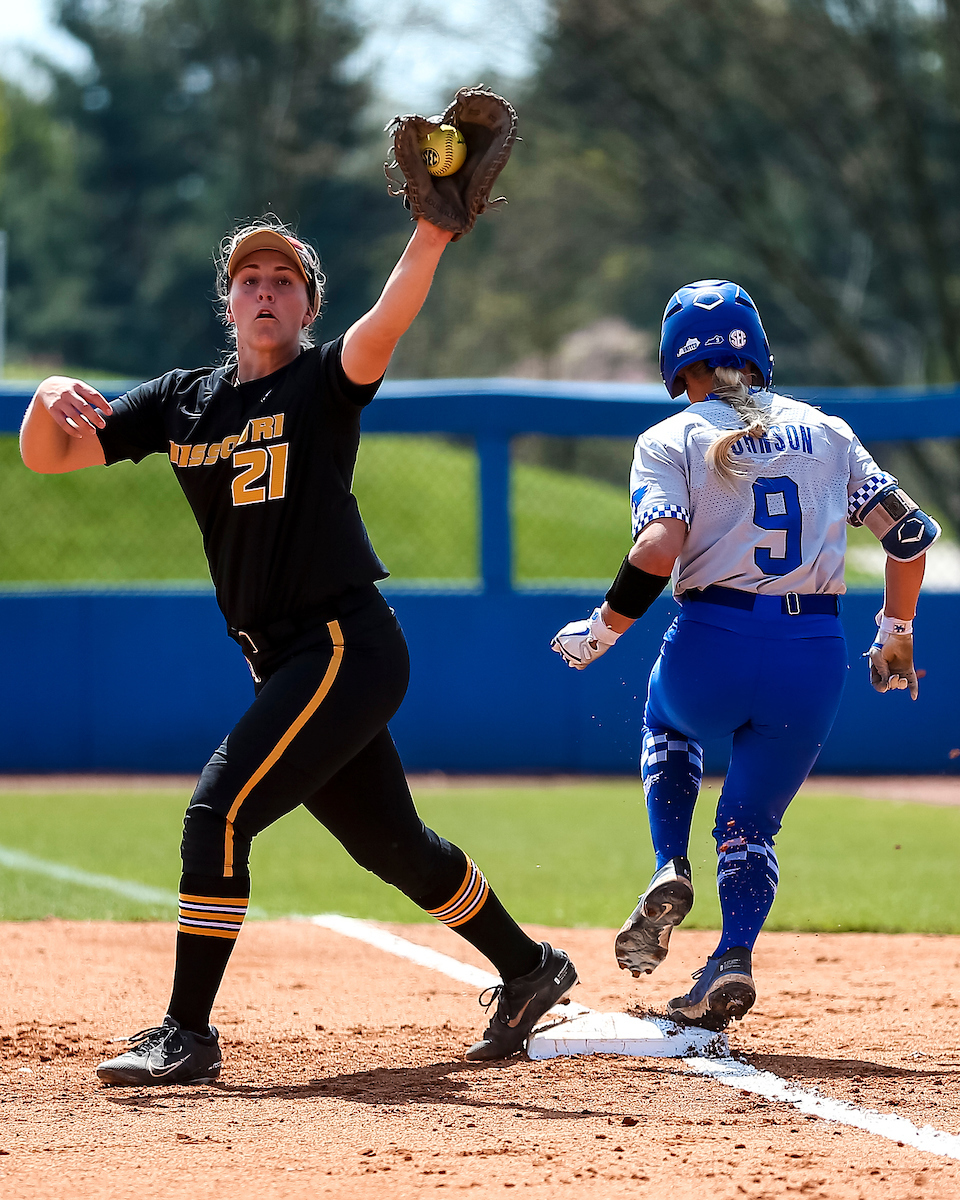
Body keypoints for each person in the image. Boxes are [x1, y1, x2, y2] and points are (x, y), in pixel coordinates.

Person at [20, 215, 576, 1083]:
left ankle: (186, 1032)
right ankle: (529, 968)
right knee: (395, 848)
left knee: (218, 810)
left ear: (310, 304)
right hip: (287, 662)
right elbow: (48, 458)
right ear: (228, 302)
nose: (266, 290)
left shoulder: (323, 383)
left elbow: (388, 322)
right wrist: (49, 388)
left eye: (284, 279)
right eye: (250, 279)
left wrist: (431, 232)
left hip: (343, 645)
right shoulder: (181, 401)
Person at [551, 279, 938, 1031]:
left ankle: (670, 861)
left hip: (713, 641)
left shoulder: (671, 439)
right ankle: (731, 956)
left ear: (675, 364)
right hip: (813, 653)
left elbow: (658, 546)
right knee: (750, 826)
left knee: (669, 725)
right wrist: (897, 629)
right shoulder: (827, 431)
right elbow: (910, 533)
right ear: (757, 351)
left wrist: (605, 627)